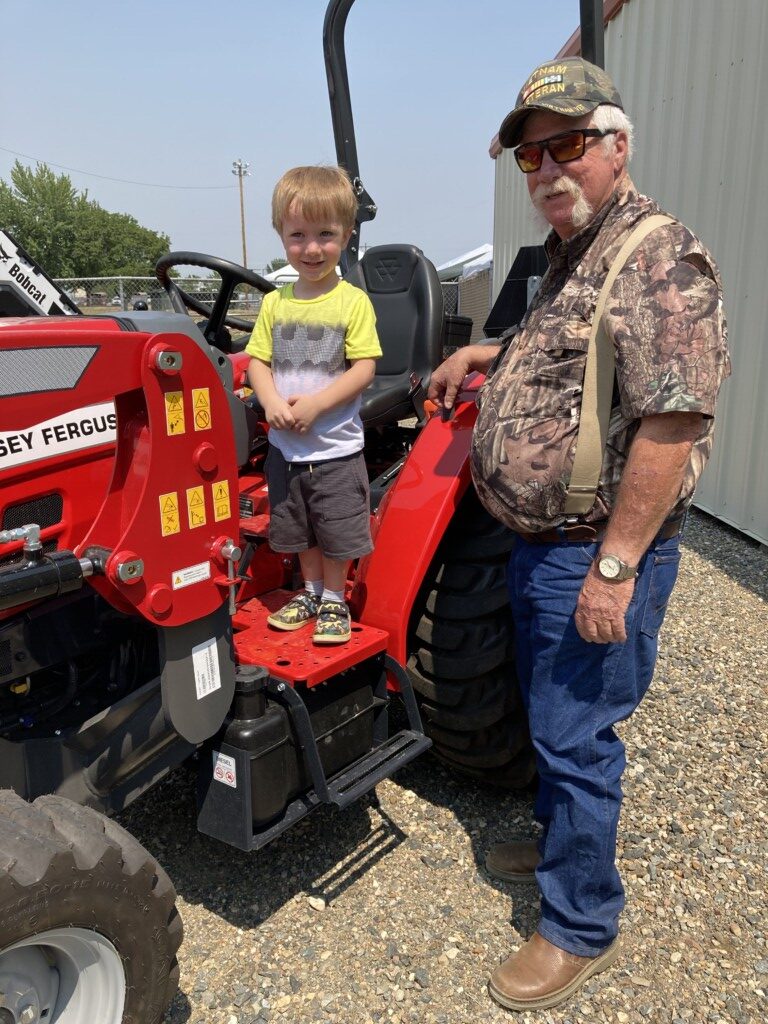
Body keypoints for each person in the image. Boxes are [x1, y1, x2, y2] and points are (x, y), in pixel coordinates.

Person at [428, 57, 730, 1012]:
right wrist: (486, 350)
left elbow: (673, 426)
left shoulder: (656, 256)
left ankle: (579, 921)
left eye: (567, 145)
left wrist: (613, 568)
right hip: (536, 544)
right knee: (550, 714)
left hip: (589, 551)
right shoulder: (574, 255)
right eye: (531, 155)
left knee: (576, 734)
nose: (548, 168)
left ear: (617, 145)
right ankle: (565, 842)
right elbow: (561, 353)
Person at [246, 165, 381, 644]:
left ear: (345, 235)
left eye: (325, 234)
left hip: (335, 447)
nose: (311, 248)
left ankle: (334, 600)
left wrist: (317, 405)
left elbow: (364, 368)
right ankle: (309, 589)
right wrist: (269, 401)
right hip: (286, 447)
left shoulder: (352, 302)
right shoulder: (274, 303)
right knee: (299, 527)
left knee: (336, 528)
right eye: (298, 235)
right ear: (281, 235)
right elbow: (256, 363)